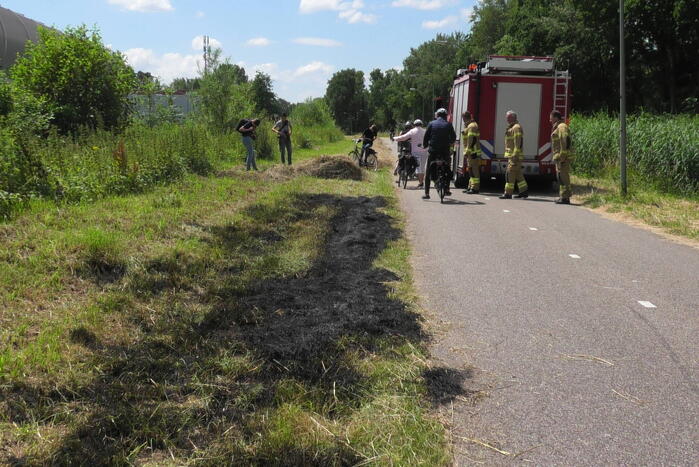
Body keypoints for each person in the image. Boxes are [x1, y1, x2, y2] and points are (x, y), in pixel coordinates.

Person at [422, 108, 456, 200]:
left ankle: (427, 193)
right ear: (445, 116)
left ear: (437, 115)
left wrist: (425, 145)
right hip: (445, 151)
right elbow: (453, 137)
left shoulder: (431, 123)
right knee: (447, 168)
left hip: (433, 151)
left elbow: (426, 137)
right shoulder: (449, 124)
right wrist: (449, 143)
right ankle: (447, 189)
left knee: (428, 171)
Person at [499, 110, 529, 199]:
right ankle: (523, 191)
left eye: (508, 117)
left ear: (513, 117)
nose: (506, 119)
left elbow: (518, 143)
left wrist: (515, 155)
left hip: (515, 157)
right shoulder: (513, 127)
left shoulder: (516, 128)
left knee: (510, 174)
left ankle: (508, 193)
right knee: (518, 174)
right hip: (513, 156)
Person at [392, 119, 428, 187]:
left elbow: (403, 138)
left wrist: (394, 138)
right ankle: (421, 182)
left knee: (418, 167)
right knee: (422, 168)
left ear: (414, 125)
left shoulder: (412, 131)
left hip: (415, 152)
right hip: (424, 151)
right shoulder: (425, 131)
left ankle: (420, 182)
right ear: (421, 124)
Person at [550, 110, 574, 204]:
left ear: (556, 118)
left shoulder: (562, 127)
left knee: (563, 177)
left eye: (551, 118)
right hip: (560, 158)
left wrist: (563, 157)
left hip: (563, 158)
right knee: (560, 177)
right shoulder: (559, 127)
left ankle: (566, 198)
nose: (550, 120)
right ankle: (563, 196)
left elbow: (565, 141)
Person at [461, 111, 481, 194]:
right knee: (471, 170)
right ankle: (470, 186)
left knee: (474, 170)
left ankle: (475, 188)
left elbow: (471, 140)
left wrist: (468, 151)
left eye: (463, 118)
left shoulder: (472, 126)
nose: (462, 120)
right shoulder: (469, 125)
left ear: (465, 117)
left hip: (473, 152)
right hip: (471, 152)